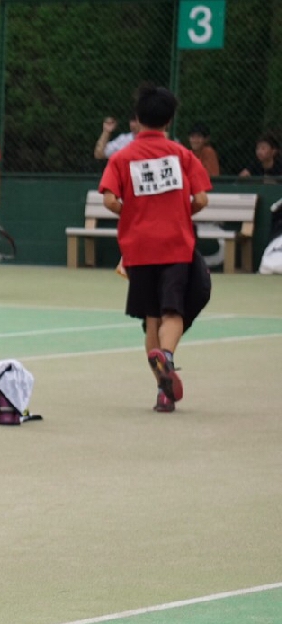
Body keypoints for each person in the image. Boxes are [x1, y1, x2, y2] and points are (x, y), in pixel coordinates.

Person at [99, 86, 211, 413]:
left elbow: (109, 199)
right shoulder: (182, 154)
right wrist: (177, 213)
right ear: (169, 119)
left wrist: (135, 213)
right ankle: (169, 357)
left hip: (138, 249)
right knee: (172, 312)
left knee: (151, 319)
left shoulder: (122, 157)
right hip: (176, 245)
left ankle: (163, 392)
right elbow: (202, 198)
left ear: (138, 119)